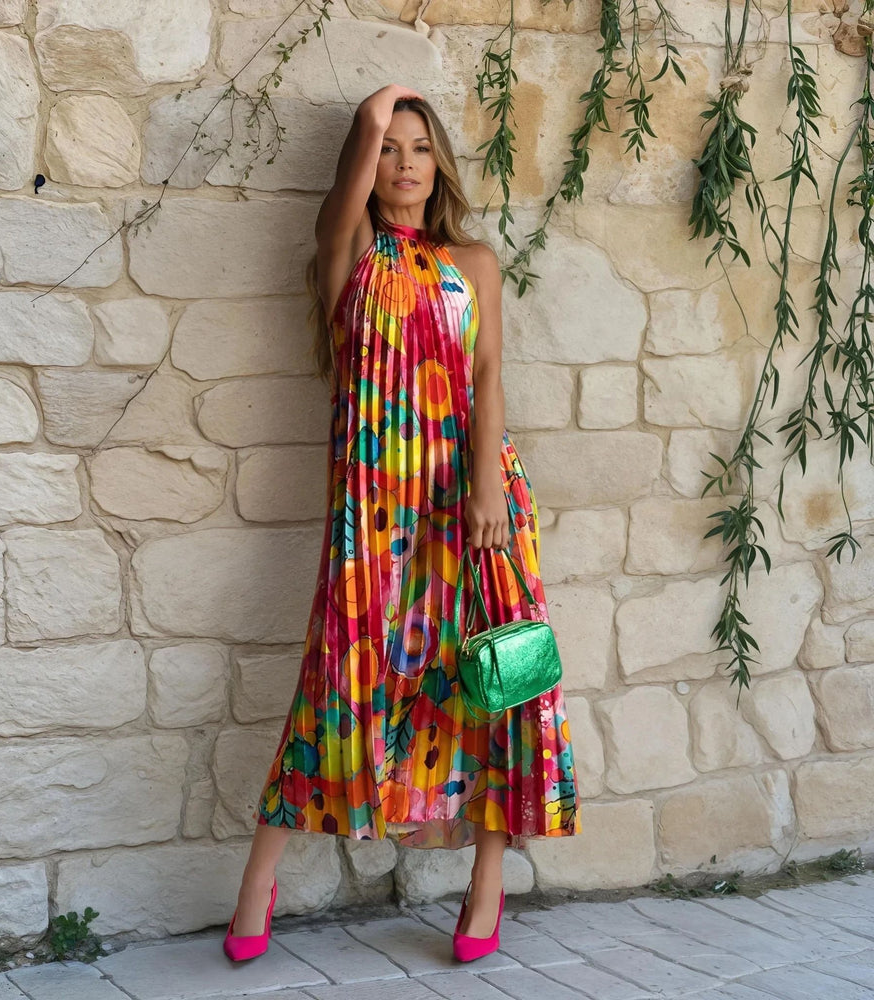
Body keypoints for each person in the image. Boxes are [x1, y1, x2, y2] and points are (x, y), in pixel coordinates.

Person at [223, 83, 578, 964]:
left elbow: (488, 375)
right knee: (339, 686)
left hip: (475, 503)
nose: (405, 165)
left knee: (500, 683)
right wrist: (376, 110)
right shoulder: (345, 253)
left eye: (420, 148)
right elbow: (343, 196)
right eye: (388, 149)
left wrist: (490, 489)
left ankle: (485, 889)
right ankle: (258, 882)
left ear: (440, 163)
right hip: (375, 511)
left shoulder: (476, 263)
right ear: (366, 165)